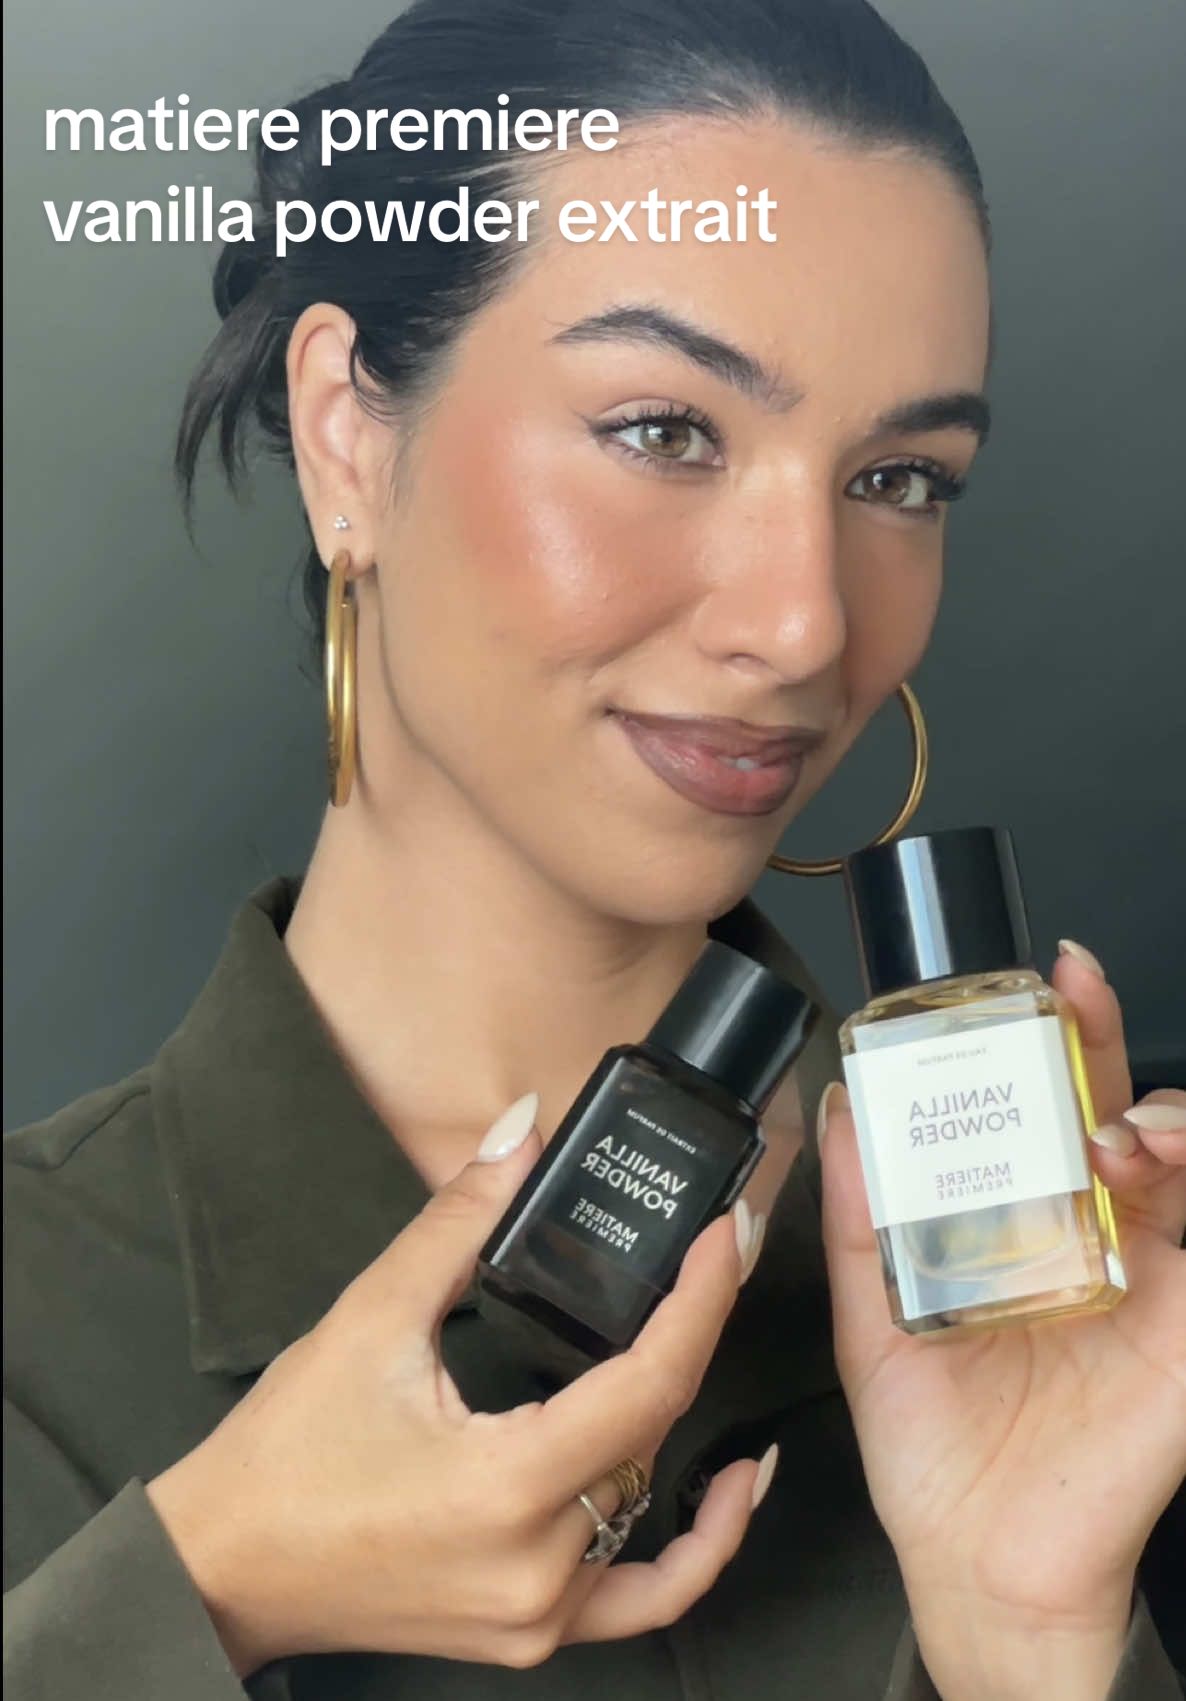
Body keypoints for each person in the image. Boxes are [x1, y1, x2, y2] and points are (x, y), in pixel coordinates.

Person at [5, 0, 1184, 1696]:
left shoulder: (1095, 1300)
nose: (802, 623)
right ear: (347, 432)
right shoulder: (34, 1315)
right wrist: (206, 1592)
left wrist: (1029, 1640)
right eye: (663, 431)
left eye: (900, 479)